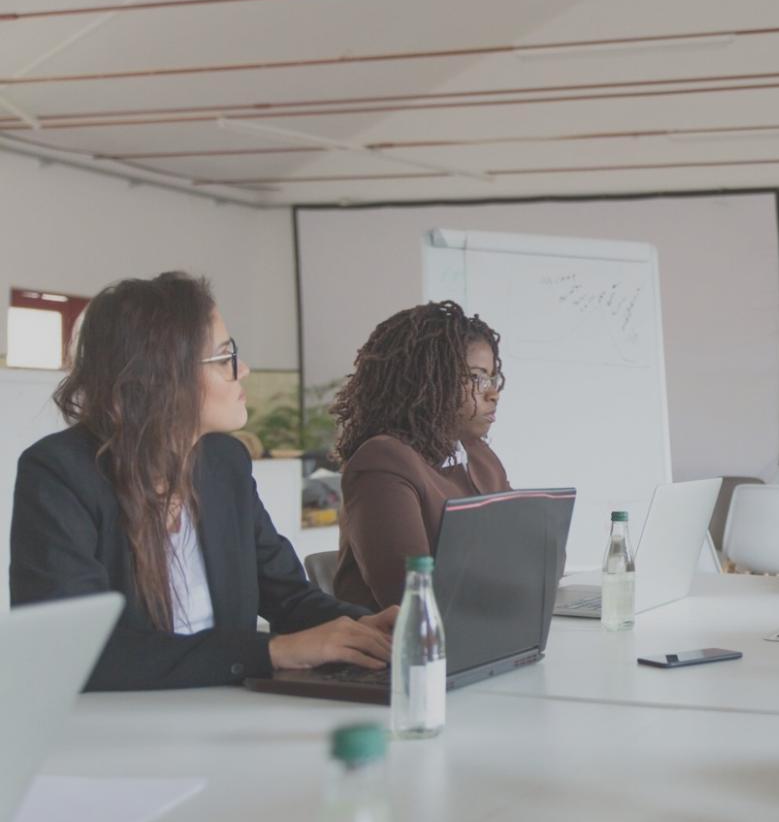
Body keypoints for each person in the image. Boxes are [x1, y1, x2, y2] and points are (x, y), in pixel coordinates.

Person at [10, 272, 395, 690]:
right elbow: (75, 651)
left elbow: (288, 596)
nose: (243, 370)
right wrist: (270, 652)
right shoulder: (60, 474)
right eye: (225, 356)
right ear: (162, 375)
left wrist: (366, 627)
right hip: (114, 731)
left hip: (226, 717)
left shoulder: (224, 463)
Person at [330, 301, 510, 609]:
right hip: (403, 649)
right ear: (425, 381)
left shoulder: (480, 456)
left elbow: (541, 559)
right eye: (476, 377)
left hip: (480, 633)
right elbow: (413, 595)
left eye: (492, 378)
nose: (492, 393)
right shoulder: (382, 462)